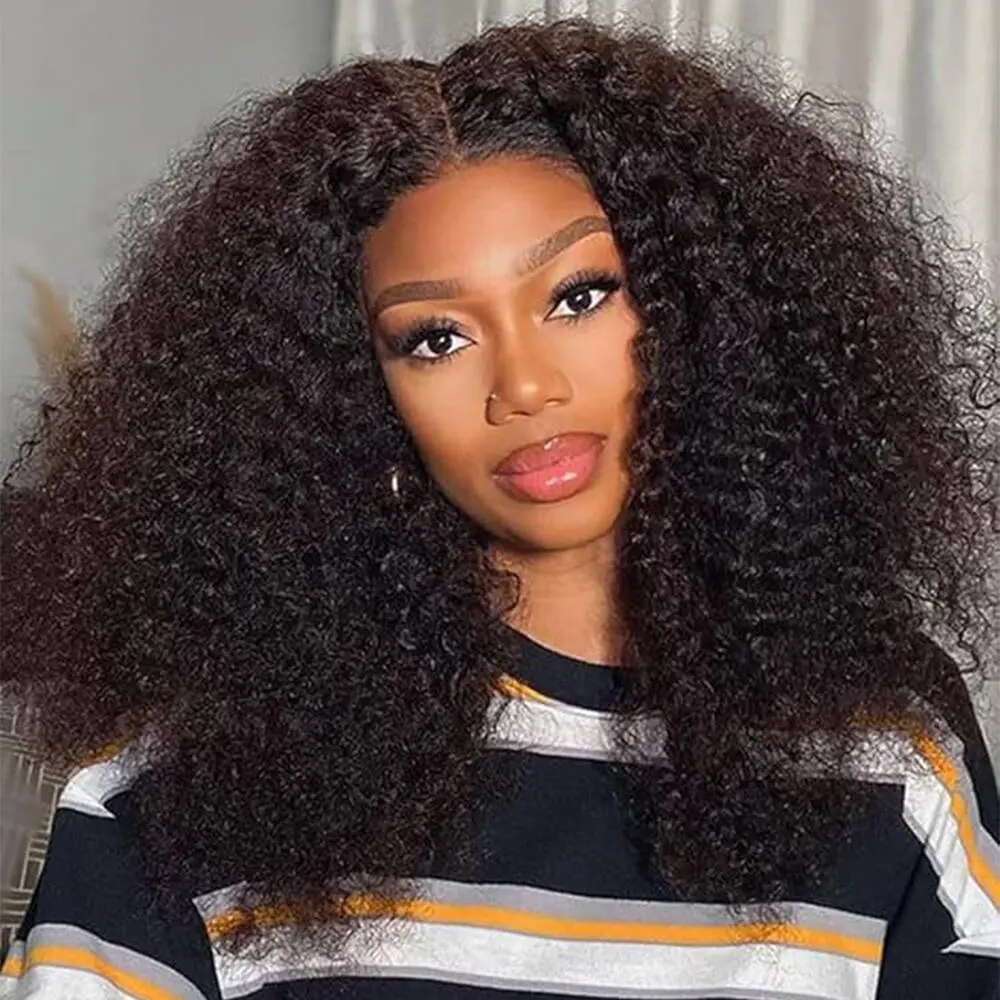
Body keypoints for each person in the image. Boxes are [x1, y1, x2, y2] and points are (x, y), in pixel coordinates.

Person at [1, 16, 998, 1000]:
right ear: (351, 396)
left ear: (701, 307)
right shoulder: (185, 785)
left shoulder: (883, 752)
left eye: (579, 296)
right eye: (435, 339)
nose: (523, 387)